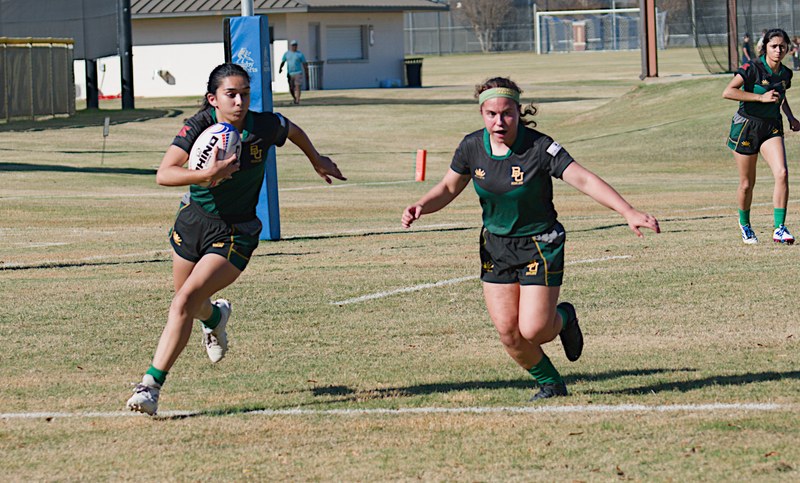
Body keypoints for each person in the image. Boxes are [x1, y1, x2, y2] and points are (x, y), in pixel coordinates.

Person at [401, 78, 660, 400]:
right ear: (481, 113)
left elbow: (583, 178)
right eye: (492, 114)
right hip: (496, 246)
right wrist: (422, 206)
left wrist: (628, 211)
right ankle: (551, 384)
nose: (499, 121)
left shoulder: (540, 147)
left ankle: (565, 317)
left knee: (535, 330)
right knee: (509, 333)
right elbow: (448, 187)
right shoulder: (471, 146)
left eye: (507, 113)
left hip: (540, 243)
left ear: (518, 111)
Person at [126, 63, 345, 415]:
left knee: (183, 302)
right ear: (213, 99)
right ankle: (215, 319)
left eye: (244, 94)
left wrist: (316, 159)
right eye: (231, 95)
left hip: (235, 231)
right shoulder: (198, 126)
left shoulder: (263, 126)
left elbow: (292, 130)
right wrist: (205, 174)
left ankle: (150, 387)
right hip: (193, 221)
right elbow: (164, 174)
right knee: (192, 304)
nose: (240, 102)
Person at [723, 28, 800, 245]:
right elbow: (728, 92)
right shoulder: (752, 68)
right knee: (747, 184)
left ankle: (779, 229)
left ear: (788, 48)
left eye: (782, 46)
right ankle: (745, 225)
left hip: (772, 126)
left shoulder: (786, 73)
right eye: (774, 46)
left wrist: (791, 117)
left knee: (782, 173)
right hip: (747, 127)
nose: (778, 50)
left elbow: (780, 95)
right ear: (765, 47)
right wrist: (760, 98)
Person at [279, 40, 308, 105]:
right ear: (291, 46)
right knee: (291, 88)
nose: (294, 47)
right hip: (290, 73)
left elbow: (304, 64)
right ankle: (294, 98)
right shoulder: (287, 54)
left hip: (298, 72)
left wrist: (306, 73)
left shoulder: (300, 54)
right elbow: (283, 62)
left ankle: (297, 100)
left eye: (295, 45)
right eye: (293, 45)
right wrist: (280, 68)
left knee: (298, 86)